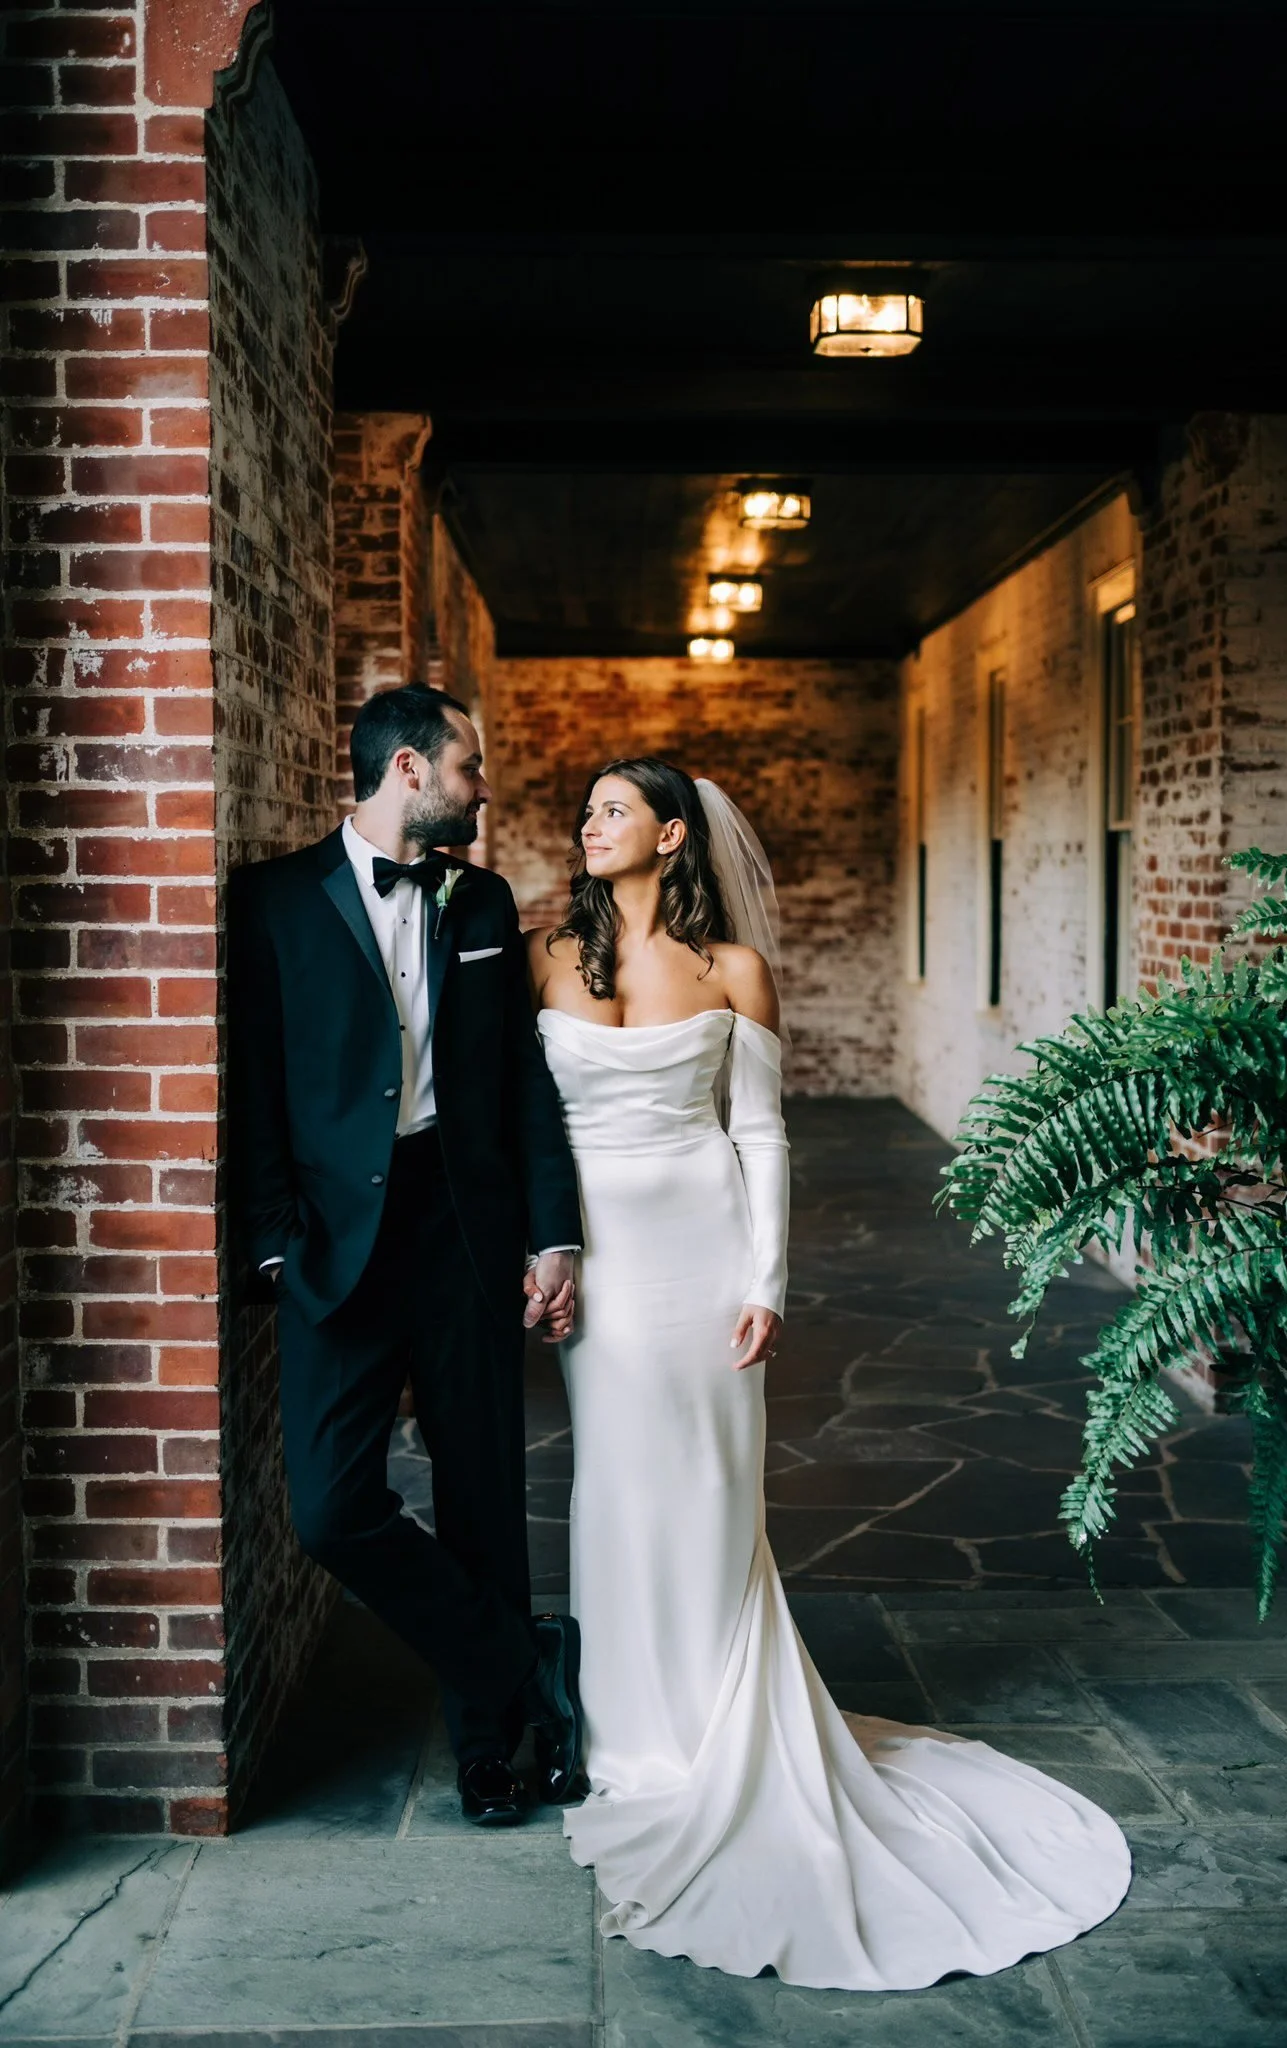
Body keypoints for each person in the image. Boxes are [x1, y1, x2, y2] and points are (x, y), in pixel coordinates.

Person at [524, 757, 1131, 1991]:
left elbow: (758, 1132)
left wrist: (767, 1285)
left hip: (700, 1254)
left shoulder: (733, 970)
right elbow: (521, 1124)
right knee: (613, 1484)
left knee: (707, 1486)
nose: (588, 826)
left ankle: (713, 1728)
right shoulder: (545, 955)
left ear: (672, 835)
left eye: (613, 810)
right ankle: (626, 1732)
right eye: (584, 811)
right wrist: (544, 1249)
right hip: (600, 1259)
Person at [228, 683, 586, 1829]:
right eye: (470, 765)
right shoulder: (273, 900)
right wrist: (278, 1244)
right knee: (332, 1509)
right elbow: (253, 1086)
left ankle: (492, 1746)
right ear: (411, 772)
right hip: (334, 1246)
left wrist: (550, 1229)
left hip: (464, 1233)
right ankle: (518, 1663)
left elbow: (521, 1082)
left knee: (482, 1491)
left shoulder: (482, 900)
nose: (483, 786)